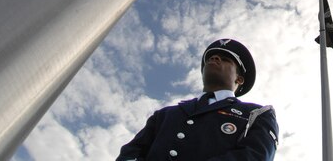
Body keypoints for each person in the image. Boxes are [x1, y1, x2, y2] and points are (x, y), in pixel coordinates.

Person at [116, 39, 279, 160]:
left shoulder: (256, 114)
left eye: (225, 59)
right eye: (212, 57)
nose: (215, 59)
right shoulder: (165, 114)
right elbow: (131, 153)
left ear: (239, 79)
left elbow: (255, 156)